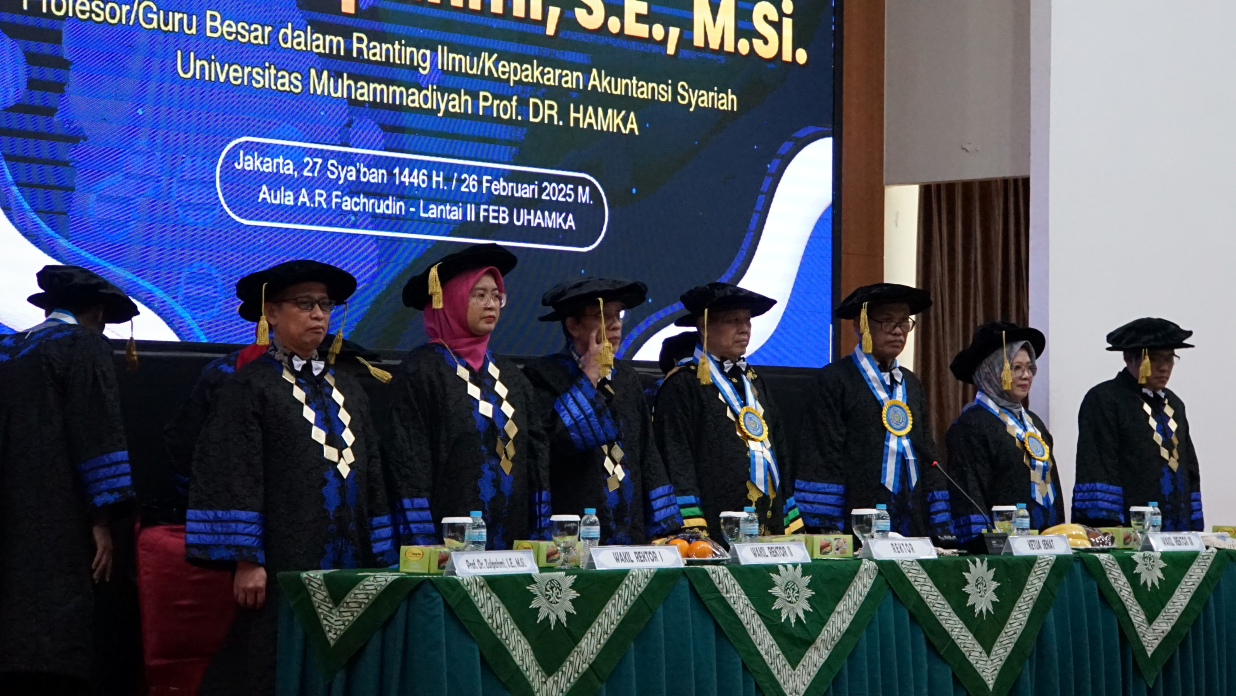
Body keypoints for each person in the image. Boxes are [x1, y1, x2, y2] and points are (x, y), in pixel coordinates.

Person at [185, 260, 395, 696]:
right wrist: (246, 559)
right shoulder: (250, 386)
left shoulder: (349, 387)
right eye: (305, 303)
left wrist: (384, 556)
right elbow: (233, 471)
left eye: (325, 304)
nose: (319, 314)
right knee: (276, 667)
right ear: (271, 314)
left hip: (350, 562)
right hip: (282, 564)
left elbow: (372, 472)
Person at [0, 265, 138, 696]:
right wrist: (102, 518)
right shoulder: (84, 345)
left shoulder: (8, 348)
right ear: (97, 311)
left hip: (7, 507)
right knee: (50, 631)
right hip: (55, 513)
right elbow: (95, 430)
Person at [382, 244, 550, 549]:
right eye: (479, 295)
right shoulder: (420, 372)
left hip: (513, 551)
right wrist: (422, 544)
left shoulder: (512, 377)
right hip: (447, 553)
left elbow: (536, 457)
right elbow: (407, 464)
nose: (492, 304)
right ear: (451, 300)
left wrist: (542, 536)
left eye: (497, 295)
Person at [523, 278, 682, 545]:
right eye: (602, 316)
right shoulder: (541, 376)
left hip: (631, 531)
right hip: (573, 531)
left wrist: (664, 529)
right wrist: (590, 376)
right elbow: (556, 443)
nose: (616, 324)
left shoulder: (627, 378)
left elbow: (647, 453)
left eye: (618, 315)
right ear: (573, 325)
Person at [793, 283, 951, 537]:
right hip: (854, 521)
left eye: (904, 322)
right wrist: (827, 527)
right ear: (860, 324)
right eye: (887, 321)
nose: (899, 331)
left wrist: (938, 521)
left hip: (911, 520)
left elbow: (925, 450)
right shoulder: (834, 380)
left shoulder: (910, 383)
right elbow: (822, 455)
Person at [654, 282, 799, 538]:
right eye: (733, 320)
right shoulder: (683, 383)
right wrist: (693, 528)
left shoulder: (754, 380)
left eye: (747, 321)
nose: (744, 329)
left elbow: (779, 451)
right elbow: (677, 460)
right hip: (712, 524)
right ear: (703, 325)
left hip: (768, 525)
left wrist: (788, 517)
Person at [1073, 317, 1202, 531]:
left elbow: (1190, 466)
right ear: (1129, 359)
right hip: (1129, 533)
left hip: (1177, 532)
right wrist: (1108, 529)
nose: (1164, 368)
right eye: (1154, 358)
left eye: (1170, 358)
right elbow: (1098, 465)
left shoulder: (1174, 404)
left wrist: (1194, 525)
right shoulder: (1105, 399)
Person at [945, 322, 1064, 541]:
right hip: (1003, 552)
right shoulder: (971, 425)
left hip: (1045, 545)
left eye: (1029, 367)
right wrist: (983, 543)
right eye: (1016, 367)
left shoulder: (1034, 423)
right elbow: (970, 492)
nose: (1026, 375)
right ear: (990, 371)